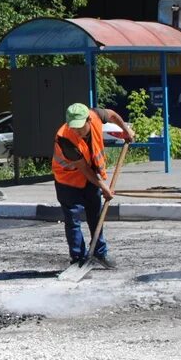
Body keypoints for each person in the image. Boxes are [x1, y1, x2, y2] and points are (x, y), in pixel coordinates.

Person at [52, 102, 135, 268]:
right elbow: (84, 170)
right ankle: (78, 259)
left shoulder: (96, 115)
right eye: (73, 127)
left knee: (96, 216)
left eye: (80, 127)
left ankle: (100, 253)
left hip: (90, 179)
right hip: (67, 182)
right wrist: (104, 187)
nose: (76, 131)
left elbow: (111, 114)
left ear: (89, 120)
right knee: (73, 220)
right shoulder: (65, 139)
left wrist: (126, 130)